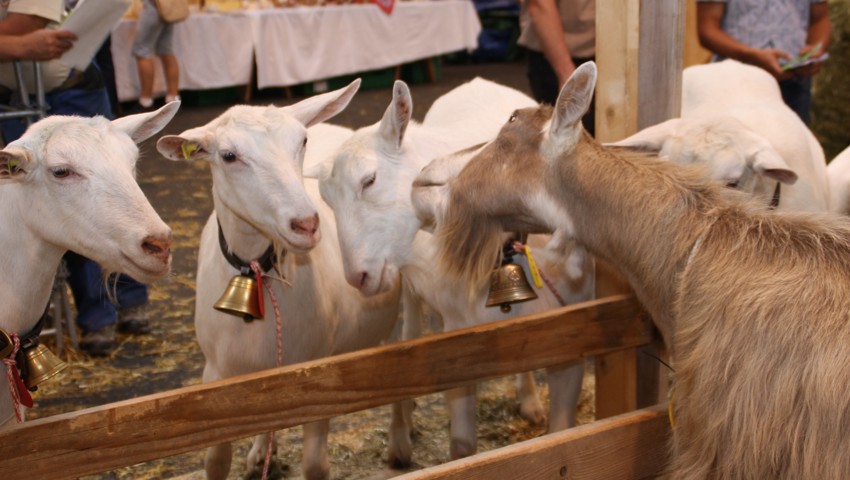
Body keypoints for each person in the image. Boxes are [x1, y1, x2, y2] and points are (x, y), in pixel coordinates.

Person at [0, 0, 152, 356]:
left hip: (67, 90)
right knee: (54, 208)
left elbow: (23, 26)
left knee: (104, 190)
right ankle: (97, 317)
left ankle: (127, 297)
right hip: (14, 99)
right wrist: (17, 47)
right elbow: (20, 37)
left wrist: (16, 44)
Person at [696, 0, 832, 125]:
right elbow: (707, 30)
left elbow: (820, 19)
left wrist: (816, 49)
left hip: (793, 83)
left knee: (791, 148)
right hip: (735, 83)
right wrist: (750, 56)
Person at [517, 0, 596, 136]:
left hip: (615, 57)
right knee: (570, 144)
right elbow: (540, 5)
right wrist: (567, 74)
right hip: (564, 57)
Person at [131, 0, 180, 111]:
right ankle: (173, 98)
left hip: (154, 6)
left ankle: (146, 101)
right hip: (168, 7)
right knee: (166, 49)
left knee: (142, 50)